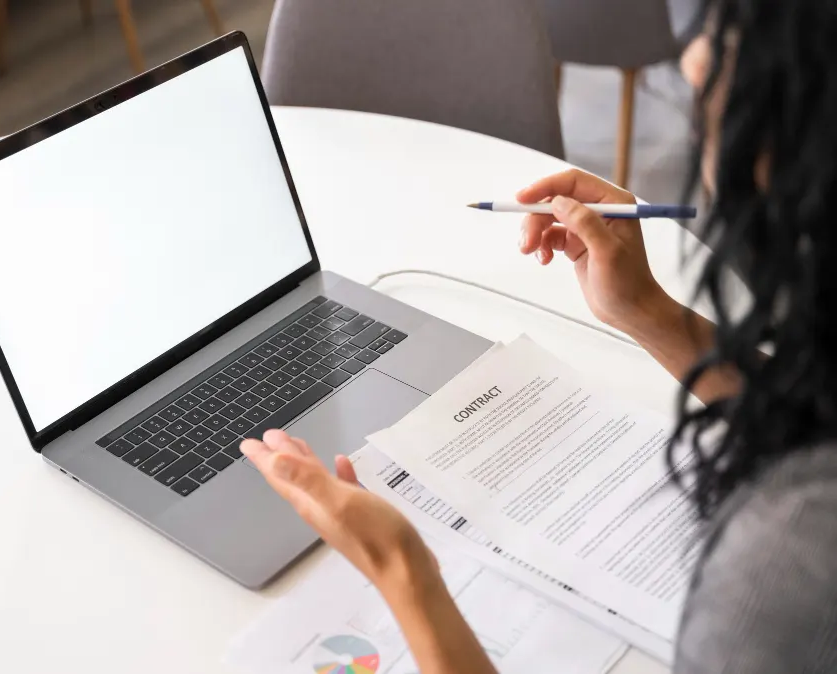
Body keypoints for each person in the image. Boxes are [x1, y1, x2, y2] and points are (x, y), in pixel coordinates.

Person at [240, 0, 837, 671]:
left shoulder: (782, 572)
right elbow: (817, 419)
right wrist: (647, 311)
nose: (694, 59)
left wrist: (403, 570)